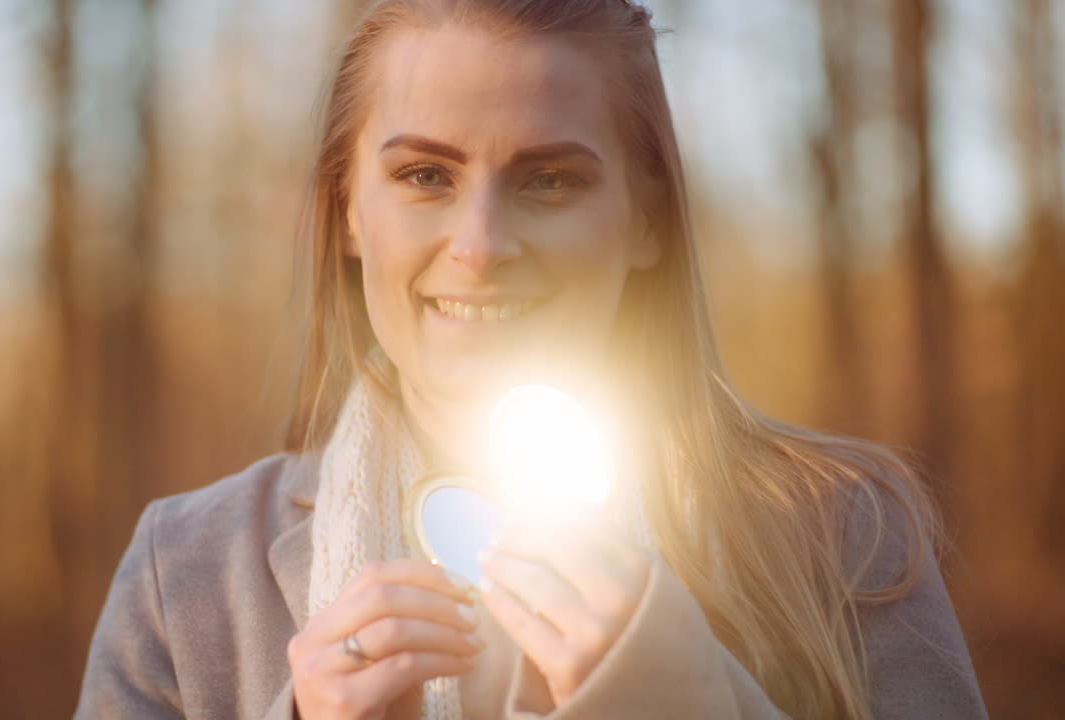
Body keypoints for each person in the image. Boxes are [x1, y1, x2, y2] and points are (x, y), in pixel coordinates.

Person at [73, 1, 988, 718]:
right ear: (346, 210)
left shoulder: (841, 530)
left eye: (550, 181)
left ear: (648, 221)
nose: (480, 247)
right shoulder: (186, 569)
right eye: (425, 176)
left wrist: (684, 701)